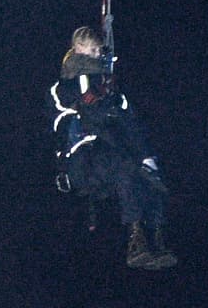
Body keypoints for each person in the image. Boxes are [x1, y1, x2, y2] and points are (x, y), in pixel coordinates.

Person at [47, 25, 176, 270]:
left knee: (148, 176)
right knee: (123, 166)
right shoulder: (65, 86)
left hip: (107, 153)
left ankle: (155, 238)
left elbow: (131, 123)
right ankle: (135, 238)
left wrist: (147, 157)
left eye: (98, 49)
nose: (95, 54)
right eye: (91, 49)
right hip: (82, 159)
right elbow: (59, 119)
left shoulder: (109, 87)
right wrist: (88, 108)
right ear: (77, 49)